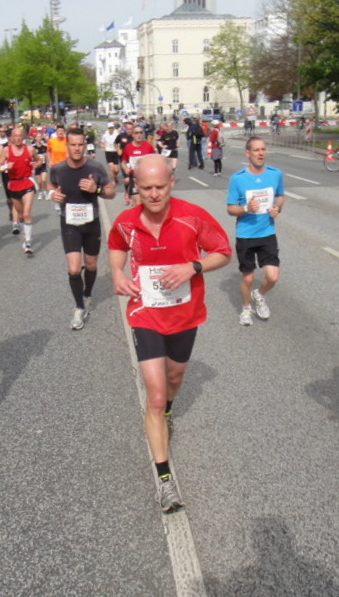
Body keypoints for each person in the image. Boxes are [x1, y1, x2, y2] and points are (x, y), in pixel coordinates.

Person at [108, 153, 231, 513]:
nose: (154, 194)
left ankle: (168, 411)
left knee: (175, 377)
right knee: (156, 395)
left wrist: (193, 266)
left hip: (185, 314)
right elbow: (116, 246)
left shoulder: (192, 216)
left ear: (171, 183)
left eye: (161, 186)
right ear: (136, 187)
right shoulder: (127, 221)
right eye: (146, 188)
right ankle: (164, 480)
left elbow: (223, 252)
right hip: (145, 313)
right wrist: (117, 274)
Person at [48, 128, 115, 330]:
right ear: (66, 146)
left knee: (91, 265)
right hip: (69, 223)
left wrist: (95, 189)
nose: (77, 149)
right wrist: (53, 195)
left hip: (91, 223)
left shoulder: (95, 167)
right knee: (74, 268)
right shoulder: (58, 169)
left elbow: (111, 192)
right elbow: (50, 185)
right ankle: (78, 308)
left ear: (84, 146)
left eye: (80, 145)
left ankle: (87, 294)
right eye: (73, 145)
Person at [226, 137, 285, 326]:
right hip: (245, 234)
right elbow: (230, 208)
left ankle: (259, 295)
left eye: (263, 150)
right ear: (247, 153)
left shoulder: (275, 174)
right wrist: (246, 209)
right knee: (249, 277)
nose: (261, 153)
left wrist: (277, 207)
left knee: (272, 276)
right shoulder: (238, 178)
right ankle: (245, 309)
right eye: (256, 150)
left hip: (267, 232)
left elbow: (280, 195)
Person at [0, 127, 39, 254]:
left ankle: (27, 242)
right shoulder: (6, 150)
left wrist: (36, 164)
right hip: (14, 184)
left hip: (27, 182)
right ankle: (24, 232)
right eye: (15, 136)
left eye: (20, 135)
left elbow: (39, 160)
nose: (17, 138)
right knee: (20, 215)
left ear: (24, 137)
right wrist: (5, 166)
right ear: (11, 137)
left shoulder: (30, 149)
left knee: (27, 214)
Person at [121, 126, 156, 206]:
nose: (139, 135)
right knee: (138, 202)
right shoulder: (128, 147)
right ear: (133, 135)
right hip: (134, 177)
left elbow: (155, 160)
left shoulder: (148, 146)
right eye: (136, 133)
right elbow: (123, 162)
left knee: (147, 202)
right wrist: (125, 168)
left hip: (147, 177)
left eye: (141, 132)